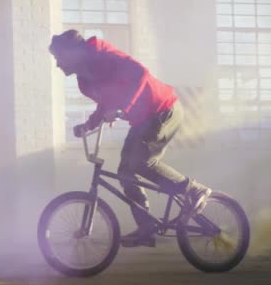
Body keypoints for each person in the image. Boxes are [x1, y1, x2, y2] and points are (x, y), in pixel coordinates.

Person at [49, 29, 211, 247]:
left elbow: (141, 74)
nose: (58, 65)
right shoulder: (84, 81)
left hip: (163, 109)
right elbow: (105, 103)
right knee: (125, 171)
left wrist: (124, 108)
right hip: (143, 119)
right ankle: (146, 227)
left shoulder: (102, 56)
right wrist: (88, 125)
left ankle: (194, 190)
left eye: (59, 57)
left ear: (72, 53)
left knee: (142, 163)